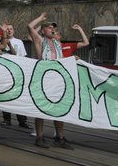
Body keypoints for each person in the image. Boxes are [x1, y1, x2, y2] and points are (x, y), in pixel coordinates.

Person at [27, 13, 88, 149]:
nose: (52, 29)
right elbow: (30, 26)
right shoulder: (39, 40)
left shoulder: (57, 43)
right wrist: (40, 19)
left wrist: (72, 60)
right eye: (49, 27)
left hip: (58, 78)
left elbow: (60, 59)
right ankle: (40, 137)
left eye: (53, 27)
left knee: (60, 107)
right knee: (41, 108)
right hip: (44, 77)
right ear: (43, 31)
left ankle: (59, 137)